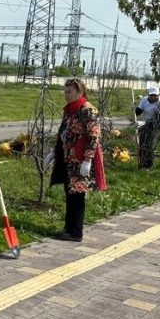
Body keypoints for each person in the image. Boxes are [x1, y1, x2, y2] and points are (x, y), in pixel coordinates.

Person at [49, 78, 106, 241]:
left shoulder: (87, 110)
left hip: (80, 160)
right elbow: (63, 132)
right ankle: (68, 227)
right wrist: (54, 152)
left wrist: (88, 160)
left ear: (79, 92)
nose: (66, 95)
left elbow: (93, 136)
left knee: (77, 195)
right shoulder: (70, 109)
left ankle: (76, 231)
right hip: (68, 159)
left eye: (69, 92)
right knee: (69, 193)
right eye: (65, 91)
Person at [134, 85, 160, 169]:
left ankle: (149, 165)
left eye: (154, 96)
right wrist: (134, 108)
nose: (152, 97)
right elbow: (138, 112)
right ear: (148, 94)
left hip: (156, 125)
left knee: (150, 145)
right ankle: (142, 163)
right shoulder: (144, 100)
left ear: (158, 95)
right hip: (146, 123)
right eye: (151, 95)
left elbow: (157, 119)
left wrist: (142, 123)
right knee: (142, 143)